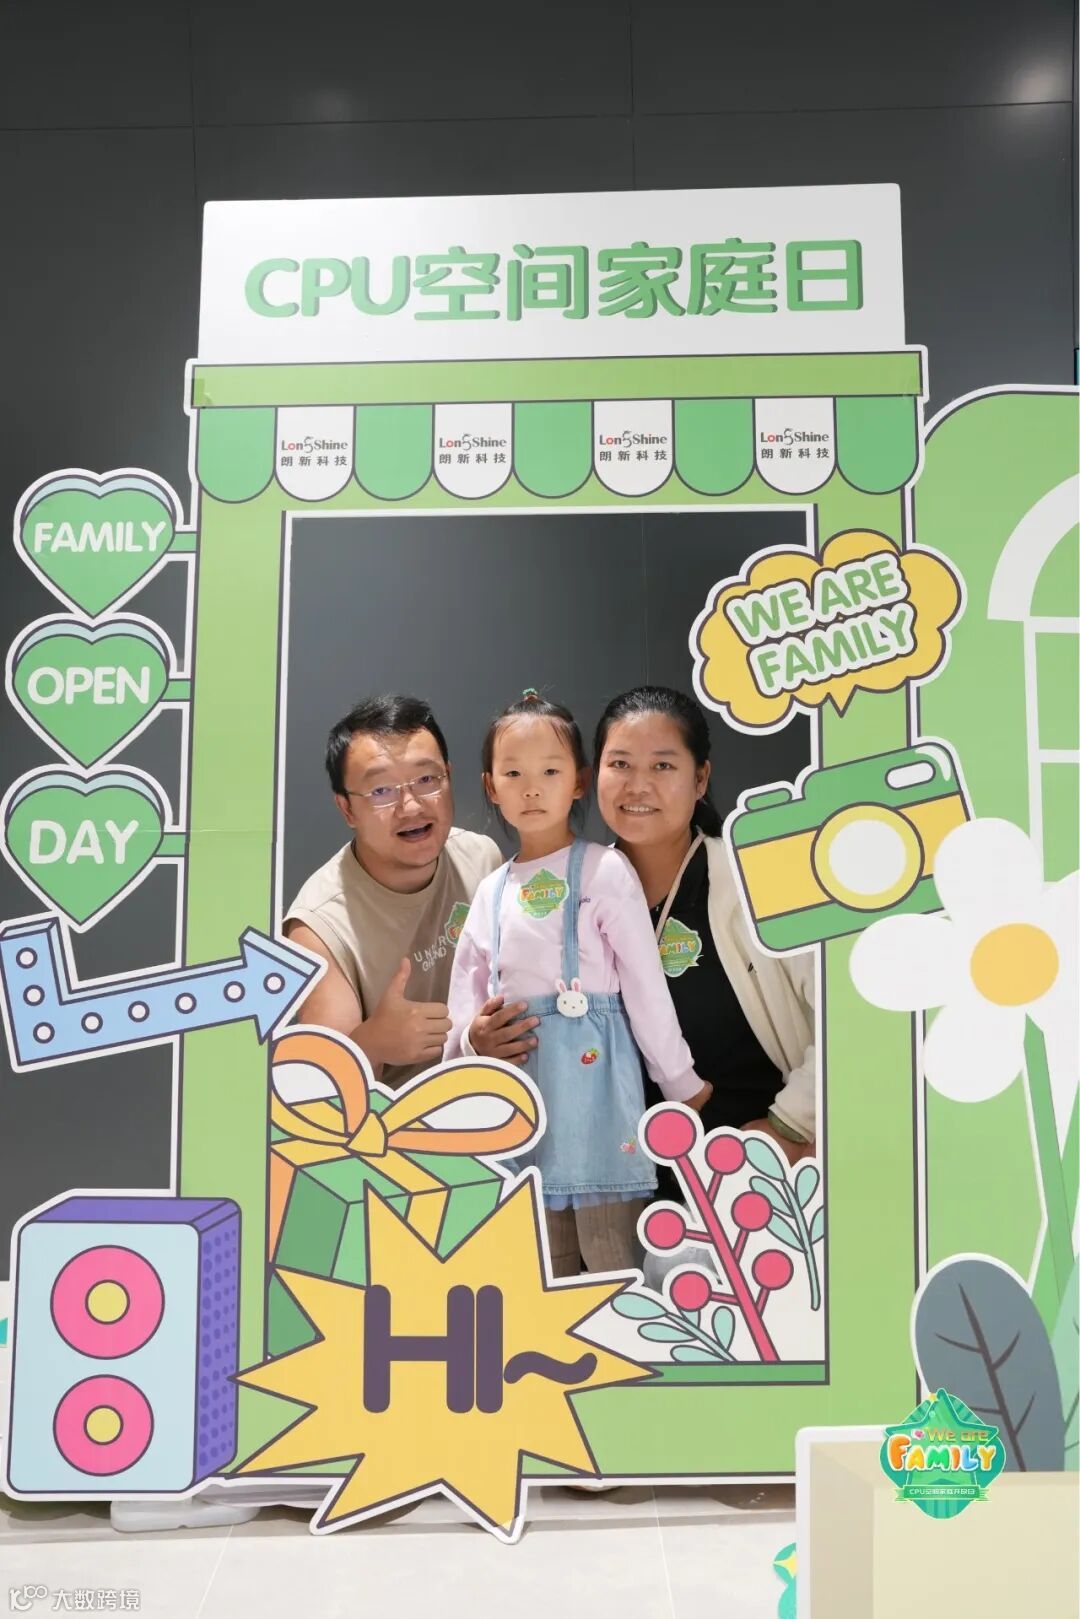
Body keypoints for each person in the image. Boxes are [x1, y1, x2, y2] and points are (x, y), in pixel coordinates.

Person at [445, 690, 712, 1277]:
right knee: (543, 1263)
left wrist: (679, 1081)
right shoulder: (490, 891)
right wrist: (469, 1043)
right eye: (513, 774)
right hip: (524, 1100)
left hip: (599, 1102)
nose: (532, 789)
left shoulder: (605, 870)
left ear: (579, 781)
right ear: (491, 786)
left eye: (549, 771)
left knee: (615, 1254)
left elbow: (645, 986)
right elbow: (465, 997)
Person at [593, 686, 815, 1162]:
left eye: (662, 765)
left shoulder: (757, 879)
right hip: (621, 1182)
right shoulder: (577, 893)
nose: (638, 785)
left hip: (753, 1175)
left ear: (700, 779)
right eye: (620, 764)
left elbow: (842, 1014)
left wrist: (792, 1124)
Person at [283, 694, 502, 1088]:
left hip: (493, 1101)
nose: (411, 806)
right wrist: (375, 1042)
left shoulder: (482, 860)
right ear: (347, 809)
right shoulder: (318, 926)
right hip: (392, 1121)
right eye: (381, 790)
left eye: (427, 780)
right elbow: (322, 1091)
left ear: (449, 777)